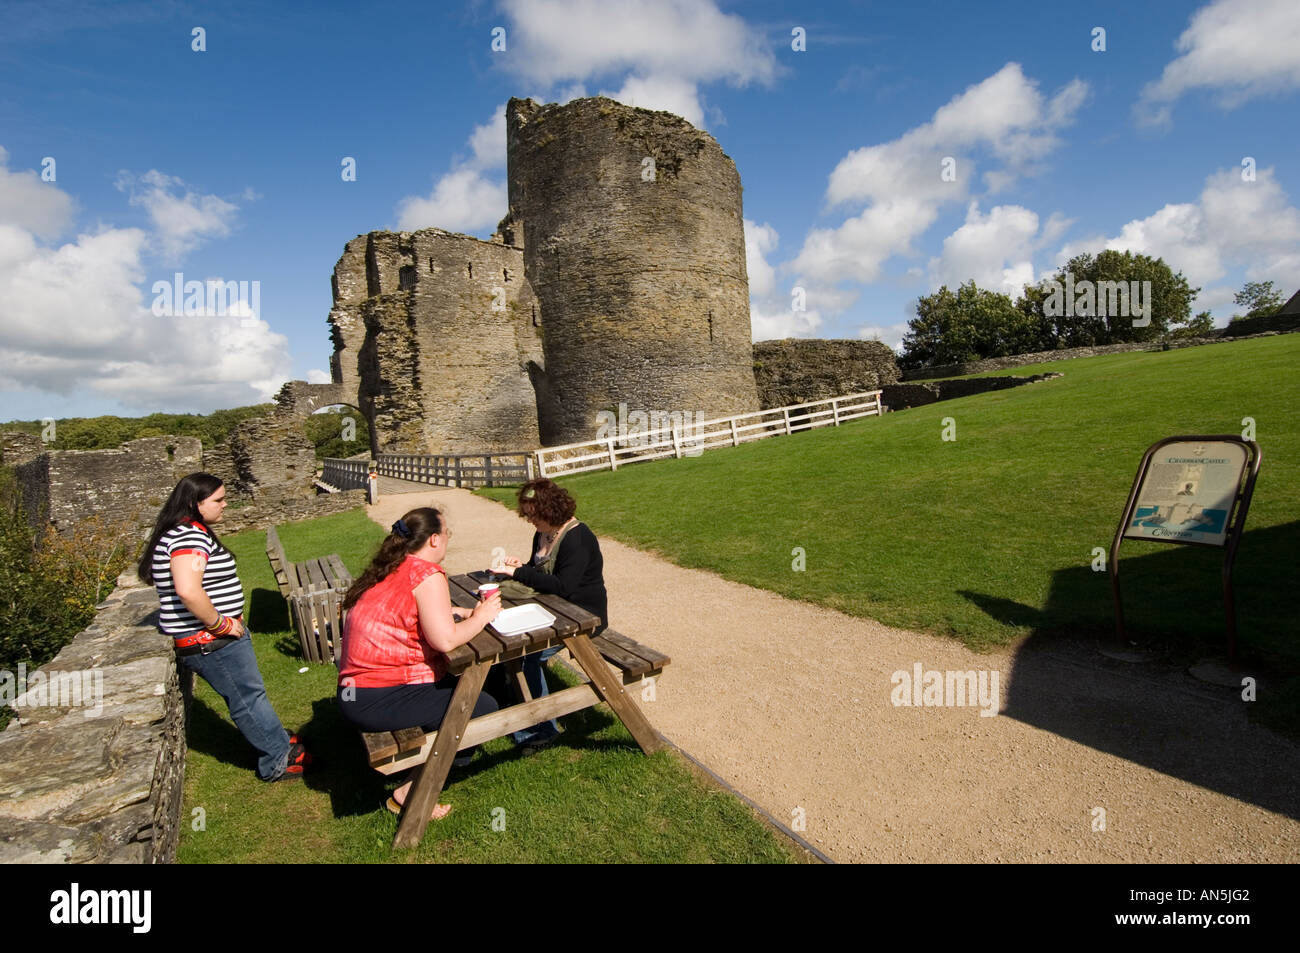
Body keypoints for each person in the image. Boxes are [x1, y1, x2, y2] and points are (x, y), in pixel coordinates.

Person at [138, 473, 309, 782]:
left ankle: (276, 740)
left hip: (212, 639)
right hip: (211, 641)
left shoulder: (184, 532)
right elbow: (188, 590)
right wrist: (219, 624)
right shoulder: (189, 536)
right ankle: (277, 761)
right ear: (194, 503)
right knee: (247, 699)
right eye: (218, 500)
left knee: (250, 695)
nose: (225, 505)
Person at [337, 506, 501, 820]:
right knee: (481, 707)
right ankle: (409, 790)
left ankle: (422, 768)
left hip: (354, 692)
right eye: (447, 534)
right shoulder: (427, 573)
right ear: (435, 540)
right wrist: (481, 616)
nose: (448, 541)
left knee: (466, 687)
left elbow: (404, 607)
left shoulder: (391, 565)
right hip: (377, 698)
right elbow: (445, 641)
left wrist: (454, 610)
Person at [495, 478, 608, 751]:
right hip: (551, 611)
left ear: (550, 510)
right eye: (527, 514)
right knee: (506, 642)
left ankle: (543, 729)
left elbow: (564, 586)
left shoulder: (577, 538)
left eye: (534, 515)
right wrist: (521, 565)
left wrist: (519, 572)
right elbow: (542, 575)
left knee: (527, 654)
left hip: (583, 617)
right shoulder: (543, 533)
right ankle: (522, 709)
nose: (530, 520)